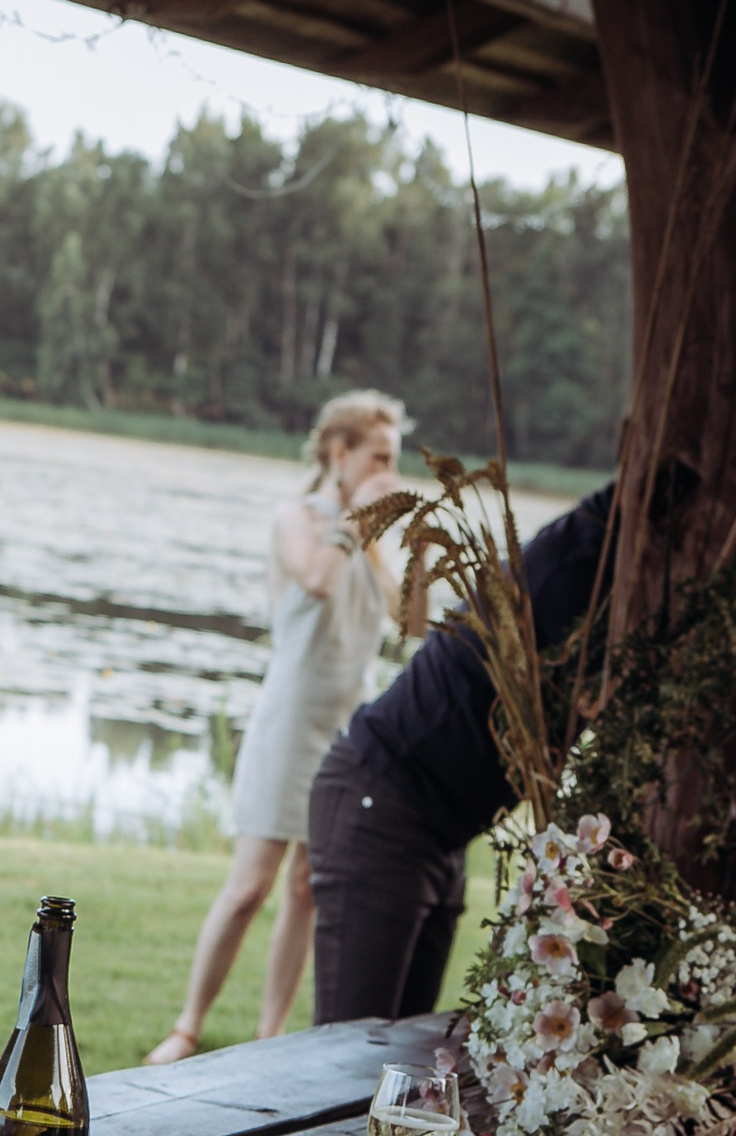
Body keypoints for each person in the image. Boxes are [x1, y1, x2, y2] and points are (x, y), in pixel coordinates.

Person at [146, 392, 407, 1064]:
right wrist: (358, 516)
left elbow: (415, 623)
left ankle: (269, 1037)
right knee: (251, 882)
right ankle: (187, 1025)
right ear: (338, 453)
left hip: (347, 725)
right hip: (290, 720)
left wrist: (421, 537)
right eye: (380, 456)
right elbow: (318, 578)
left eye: (395, 460)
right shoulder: (299, 519)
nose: (389, 470)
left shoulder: (369, 538)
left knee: (307, 885)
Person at [308, 483, 617, 1024]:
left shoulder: (607, 601)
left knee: (405, 1048)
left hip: (443, 832)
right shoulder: (567, 564)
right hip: (381, 806)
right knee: (350, 1048)